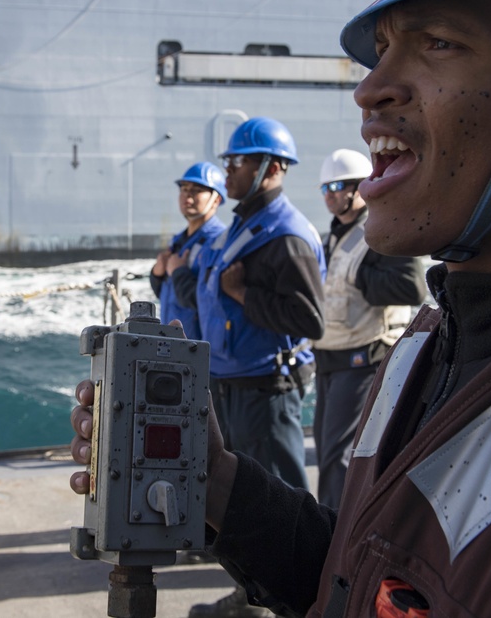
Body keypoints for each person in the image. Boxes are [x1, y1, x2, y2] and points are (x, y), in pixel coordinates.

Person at [73, 0, 491, 615]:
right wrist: (220, 484)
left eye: (440, 43)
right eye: (381, 49)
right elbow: (367, 574)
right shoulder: (426, 345)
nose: (368, 90)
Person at [179, 117, 326, 617]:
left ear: (272, 168)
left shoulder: (286, 235)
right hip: (235, 381)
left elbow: (310, 319)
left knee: (278, 499)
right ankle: (254, 596)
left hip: (267, 385)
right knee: (242, 497)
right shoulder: (246, 224)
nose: (229, 170)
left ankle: (300, 603)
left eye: (237, 161)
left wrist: (242, 293)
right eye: (229, 161)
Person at [311, 148, 425, 509]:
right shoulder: (335, 235)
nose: (330, 194)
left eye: (337, 186)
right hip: (329, 358)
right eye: (325, 188)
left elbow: (412, 287)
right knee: (328, 449)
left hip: (363, 357)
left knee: (339, 457)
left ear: (360, 188)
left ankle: (335, 541)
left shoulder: (381, 229)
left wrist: (362, 275)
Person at [150, 161, 227, 340]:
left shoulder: (219, 243)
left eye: (197, 190)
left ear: (216, 199)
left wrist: (178, 271)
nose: (188, 196)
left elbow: (208, 301)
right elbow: (168, 292)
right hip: (172, 343)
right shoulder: (180, 240)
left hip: (198, 348)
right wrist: (157, 274)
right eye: (184, 189)